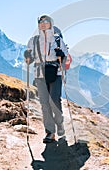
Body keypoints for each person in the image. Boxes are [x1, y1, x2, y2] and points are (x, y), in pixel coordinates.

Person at [24, 15, 68, 143]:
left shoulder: (58, 40)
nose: (43, 24)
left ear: (51, 24)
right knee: (44, 103)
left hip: (56, 73)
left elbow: (65, 58)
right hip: (39, 74)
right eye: (40, 22)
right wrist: (27, 56)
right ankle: (50, 132)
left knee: (54, 101)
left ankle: (60, 124)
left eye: (46, 21)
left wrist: (62, 55)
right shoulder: (33, 41)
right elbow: (30, 57)